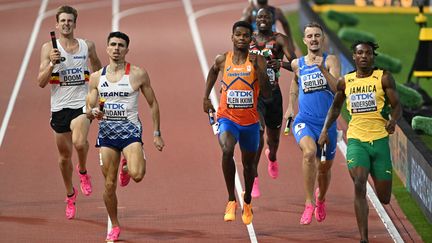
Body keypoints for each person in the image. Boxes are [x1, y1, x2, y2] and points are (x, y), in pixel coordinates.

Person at [318, 41, 401, 243]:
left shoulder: (383, 78)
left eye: (368, 53)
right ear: (354, 57)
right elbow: (336, 108)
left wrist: (393, 121)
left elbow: (397, 105)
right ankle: (364, 239)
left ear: (373, 57)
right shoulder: (346, 82)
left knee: (384, 198)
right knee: (359, 183)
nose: (364, 56)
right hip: (356, 140)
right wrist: (324, 131)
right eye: (360, 53)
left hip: (380, 141)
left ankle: (377, 171)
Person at [86, 31, 164, 241]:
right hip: (108, 134)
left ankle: (127, 167)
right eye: (113, 44)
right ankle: (115, 224)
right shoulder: (96, 77)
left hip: (130, 132)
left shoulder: (137, 74)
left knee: (138, 175)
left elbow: (153, 103)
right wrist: (92, 112)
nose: (117, 48)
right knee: (109, 185)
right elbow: (89, 106)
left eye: (121, 45)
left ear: (127, 50)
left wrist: (156, 133)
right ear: (107, 48)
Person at [37, 5, 102, 220]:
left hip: (80, 105)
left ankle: (83, 171)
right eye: (62, 21)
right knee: (64, 158)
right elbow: (41, 82)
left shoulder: (87, 46)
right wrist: (51, 65)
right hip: (59, 109)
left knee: (81, 142)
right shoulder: (49, 49)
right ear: (57, 24)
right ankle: (70, 194)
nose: (66, 24)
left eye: (70, 21)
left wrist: (99, 96)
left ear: (75, 23)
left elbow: (98, 72)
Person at [203, 21, 271, 225]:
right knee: (226, 150)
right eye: (238, 35)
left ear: (250, 39)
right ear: (232, 37)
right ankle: (231, 199)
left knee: (249, 166)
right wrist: (206, 97)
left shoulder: (258, 61)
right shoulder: (223, 59)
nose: (241, 38)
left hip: (250, 121)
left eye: (245, 35)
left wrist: (258, 69)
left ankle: (247, 199)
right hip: (227, 117)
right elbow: (214, 71)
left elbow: (266, 93)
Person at [284, 22, 340, 225]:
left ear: (322, 38)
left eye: (317, 35)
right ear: (304, 40)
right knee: (309, 153)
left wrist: (323, 71)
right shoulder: (297, 64)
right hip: (304, 121)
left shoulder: (330, 60)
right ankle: (309, 203)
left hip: (327, 125)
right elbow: (294, 83)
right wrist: (290, 106)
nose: (314, 39)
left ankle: (321, 198)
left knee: (324, 168)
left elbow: (337, 90)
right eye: (310, 36)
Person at [248, 8, 296, 198]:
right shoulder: (248, 39)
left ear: (272, 20)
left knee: (273, 140)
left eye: (266, 17)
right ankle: (254, 176)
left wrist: (281, 64)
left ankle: (272, 157)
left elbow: (296, 63)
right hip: (255, 96)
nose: (263, 20)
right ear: (255, 19)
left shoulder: (280, 39)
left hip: (273, 96)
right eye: (260, 17)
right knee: (258, 134)